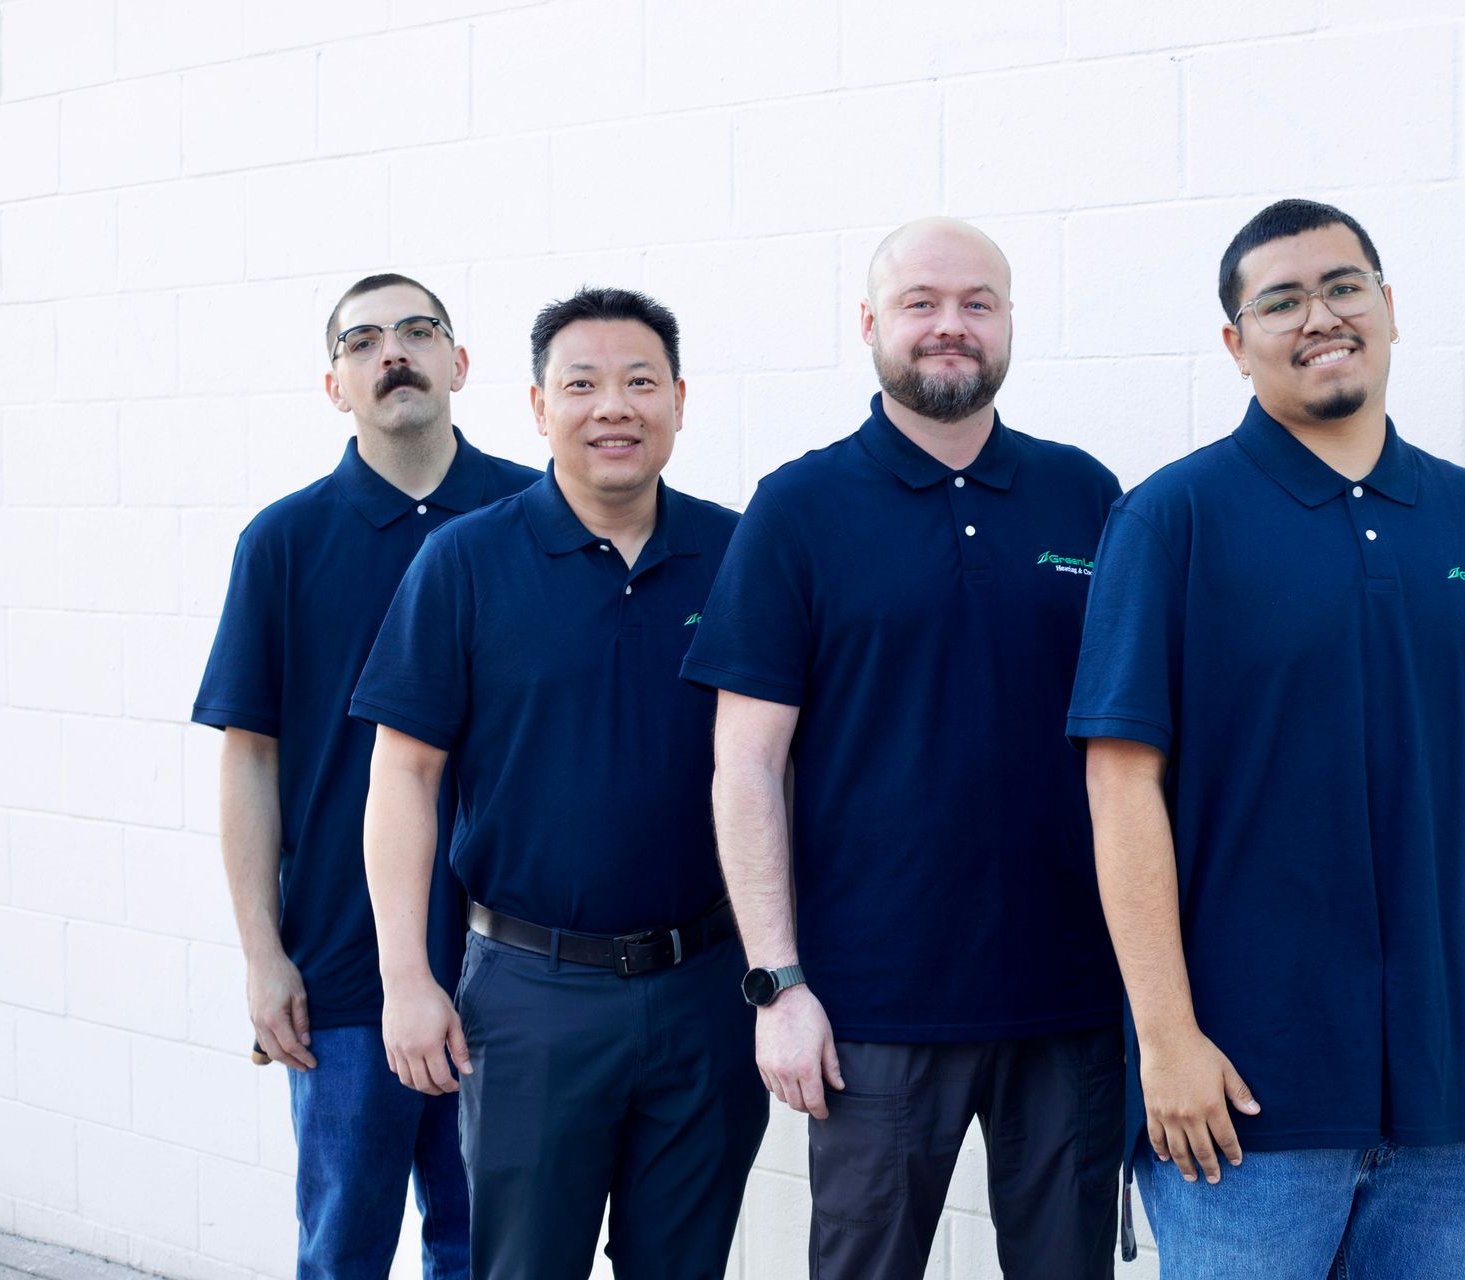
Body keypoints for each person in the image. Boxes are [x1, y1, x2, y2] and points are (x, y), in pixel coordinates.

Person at [1068, 198, 1465, 1278]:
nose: (1319, 315)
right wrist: (1167, 1038)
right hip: (1241, 1107)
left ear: (1390, 309)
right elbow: (1121, 788)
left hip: (1460, 1104)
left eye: (1344, 285)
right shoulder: (1171, 521)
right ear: (1236, 343)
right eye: (1279, 300)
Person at [683, 217, 1124, 1279]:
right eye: (922, 302)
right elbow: (744, 762)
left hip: (1069, 998)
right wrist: (776, 981)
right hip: (872, 1008)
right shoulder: (800, 507)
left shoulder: (1088, 496)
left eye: (978, 303)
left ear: (1010, 321)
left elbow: (1136, 752)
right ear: (872, 323)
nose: (951, 326)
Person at [352, 288, 765, 1280]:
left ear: (679, 400)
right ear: (539, 407)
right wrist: (406, 977)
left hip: (708, 990)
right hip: (535, 993)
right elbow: (404, 775)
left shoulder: (743, 555)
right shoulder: (465, 561)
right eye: (581, 383)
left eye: (639, 382)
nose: (612, 407)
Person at [194, 273, 538, 1278]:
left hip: (516, 959)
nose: (395, 350)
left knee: (486, 1247)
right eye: (365, 339)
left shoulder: (536, 513)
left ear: (460, 364)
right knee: (344, 1244)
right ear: (336, 382)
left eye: (419, 330)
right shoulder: (284, 543)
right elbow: (249, 757)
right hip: (344, 967)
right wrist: (263, 954)